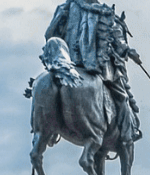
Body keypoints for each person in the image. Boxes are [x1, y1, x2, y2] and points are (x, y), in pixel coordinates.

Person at [45, 0, 143, 142]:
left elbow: (51, 33)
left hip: (68, 62)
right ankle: (128, 134)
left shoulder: (66, 7)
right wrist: (129, 51)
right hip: (97, 65)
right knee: (122, 96)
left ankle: (50, 127)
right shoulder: (104, 12)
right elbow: (118, 40)